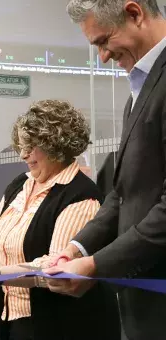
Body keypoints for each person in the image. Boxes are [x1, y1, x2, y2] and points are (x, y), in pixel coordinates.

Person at [0, 100, 120, 340]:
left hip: (60, 324)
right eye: (22, 145)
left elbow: (55, 266)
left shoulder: (80, 195)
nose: (23, 154)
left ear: (55, 145)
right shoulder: (20, 185)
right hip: (15, 318)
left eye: (31, 146)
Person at [43, 2, 166, 340]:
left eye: (103, 41)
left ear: (134, 13)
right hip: (143, 308)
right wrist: (78, 249)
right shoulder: (138, 93)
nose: (103, 57)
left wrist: (96, 265)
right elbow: (124, 194)